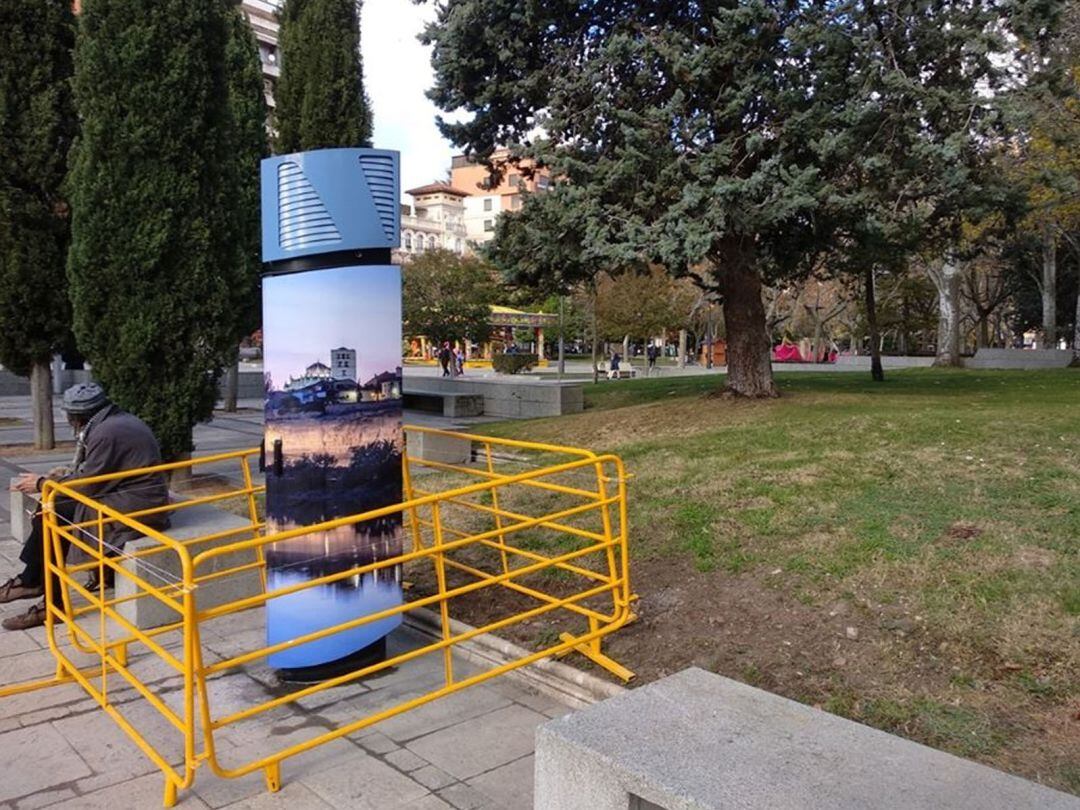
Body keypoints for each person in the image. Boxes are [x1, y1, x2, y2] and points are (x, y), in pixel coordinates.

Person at [0, 383, 169, 631]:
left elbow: (88, 485)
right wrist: (52, 482)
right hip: (130, 495)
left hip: (137, 505)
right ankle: (36, 584)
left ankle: (44, 595)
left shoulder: (107, 432)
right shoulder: (113, 421)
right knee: (51, 510)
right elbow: (93, 475)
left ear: (76, 416)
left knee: (53, 514)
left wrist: (42, 483)